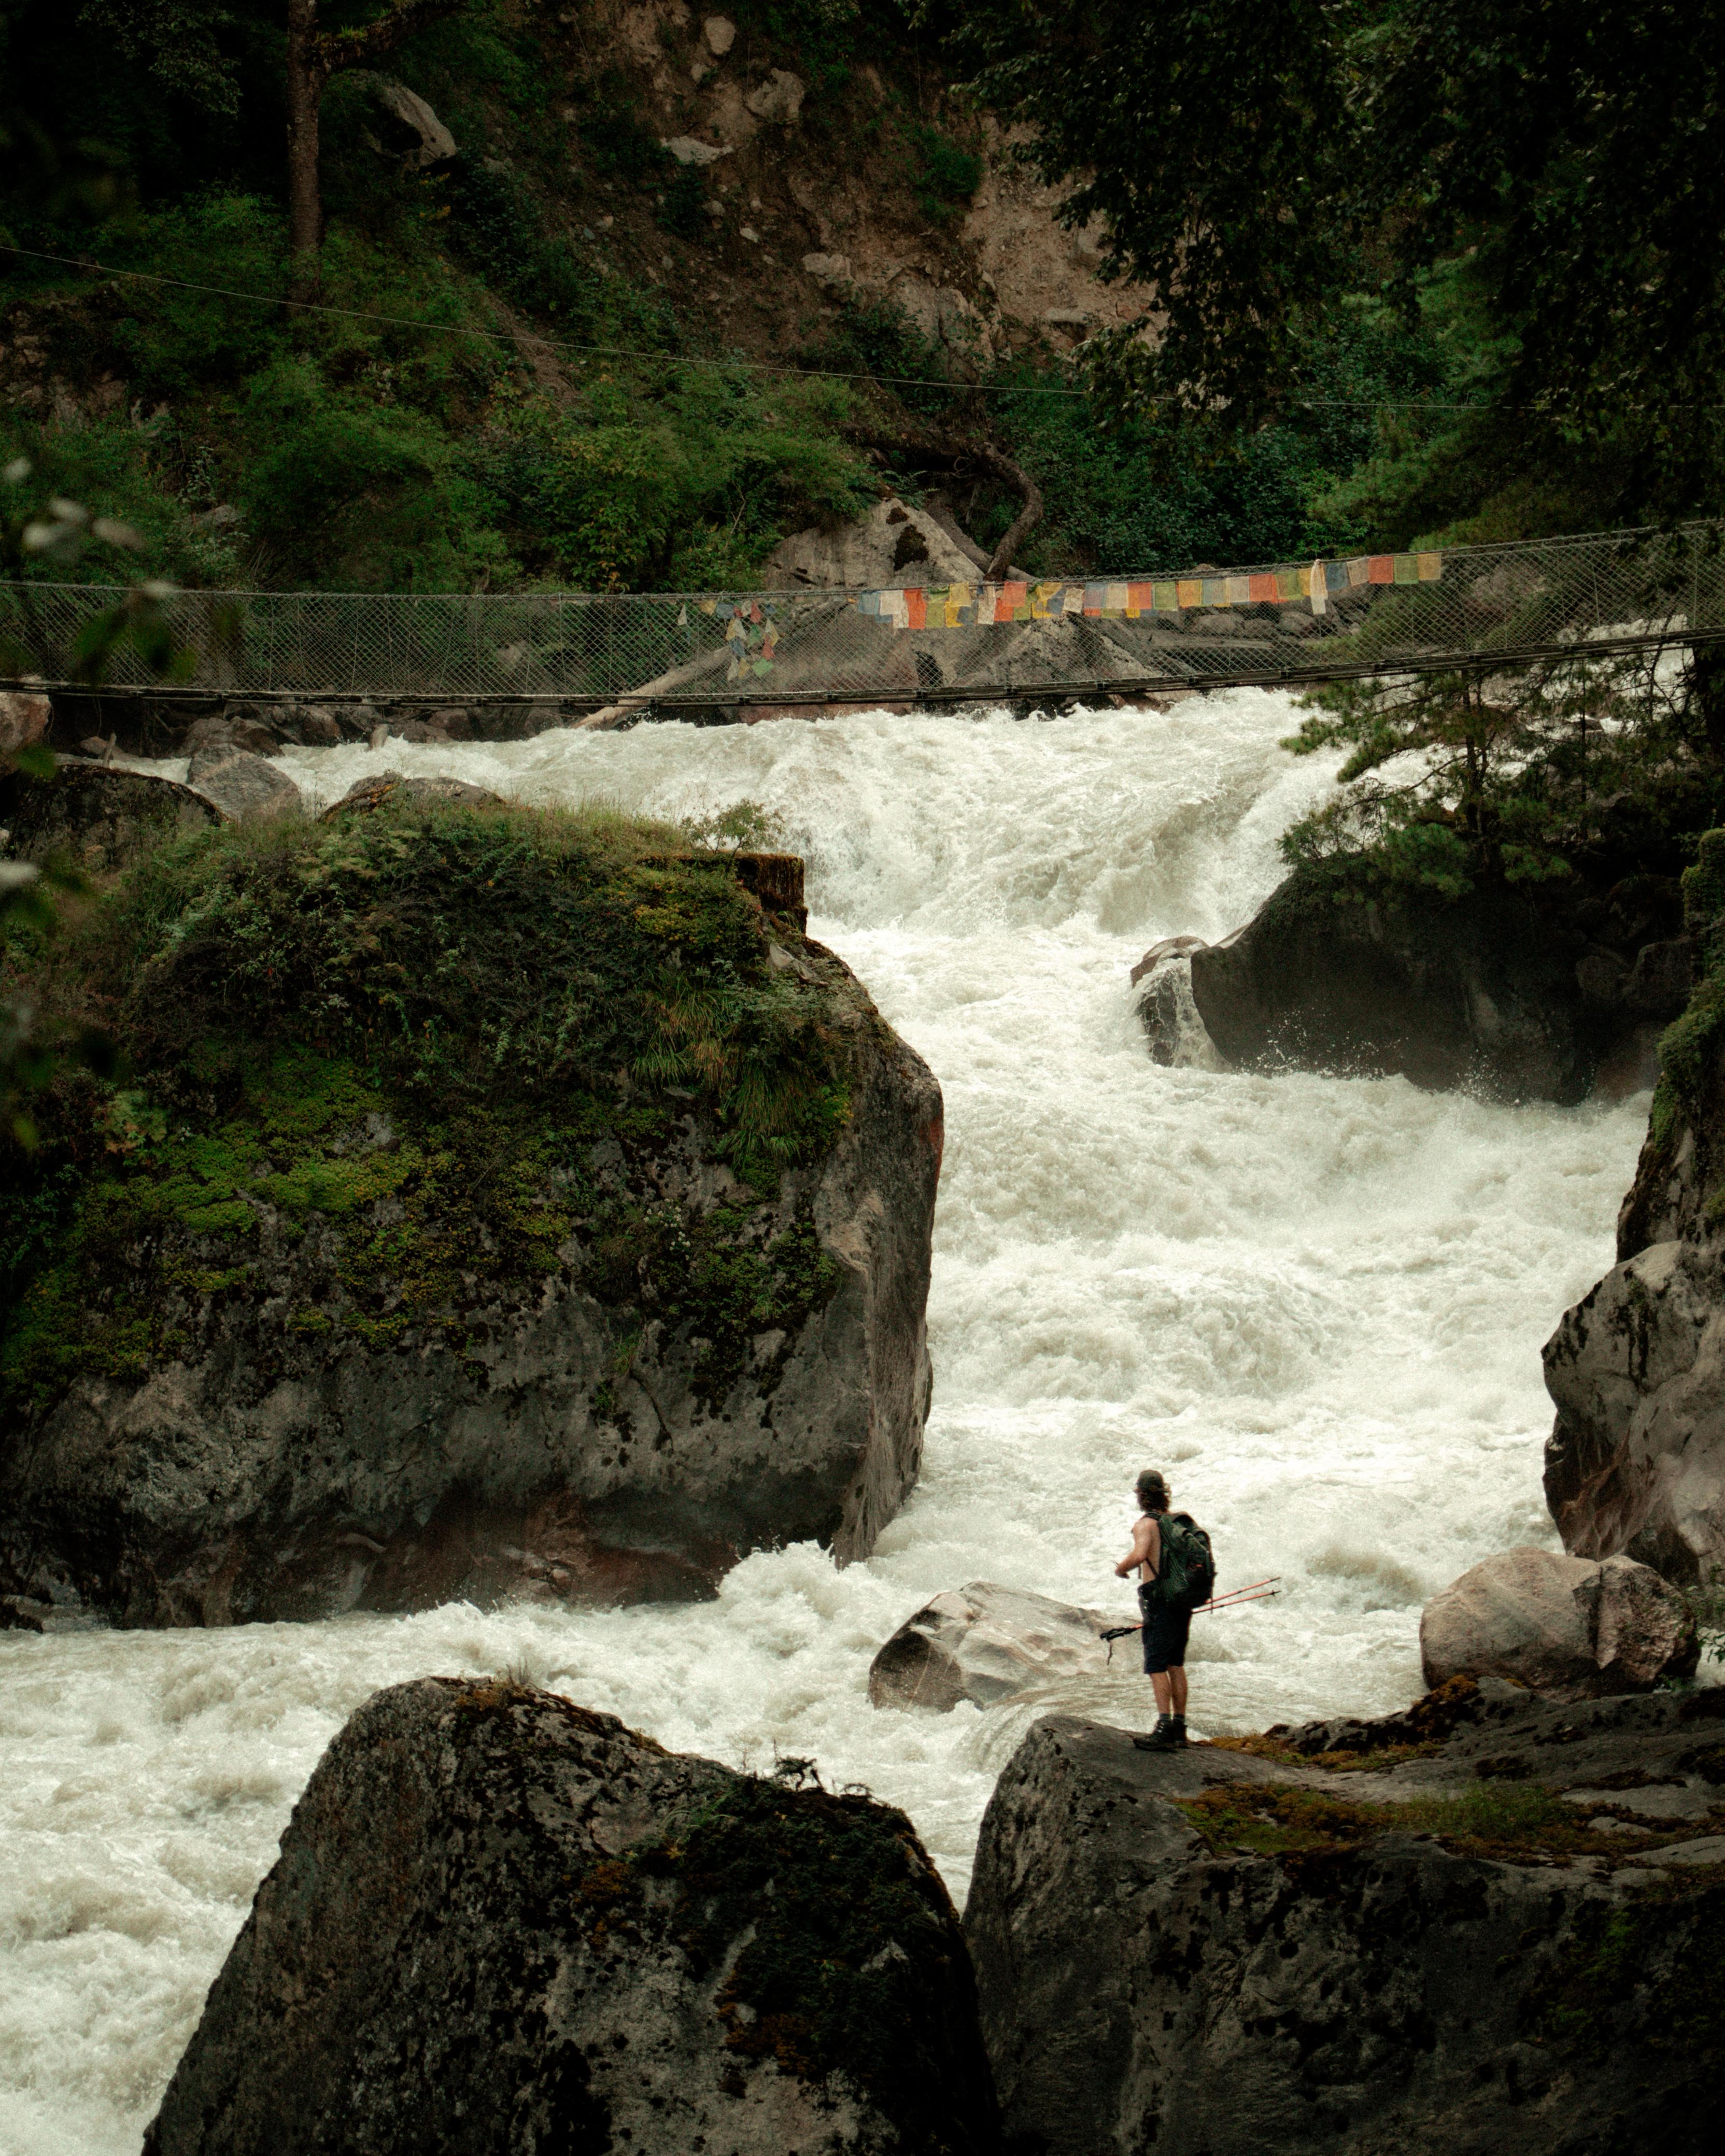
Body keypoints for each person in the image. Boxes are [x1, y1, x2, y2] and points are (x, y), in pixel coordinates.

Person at [1114, 1467, 1189, 1751]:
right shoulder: (1175, 1523)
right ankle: (1180, 1728)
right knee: (1176, 1664)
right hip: (1182, 1599)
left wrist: (1122, 1569)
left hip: (1159, 1601)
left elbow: (1141, 1553)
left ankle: (1163, 1727)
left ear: (1141, 1496)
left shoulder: (1145, 1524)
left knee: (1156, 1664)